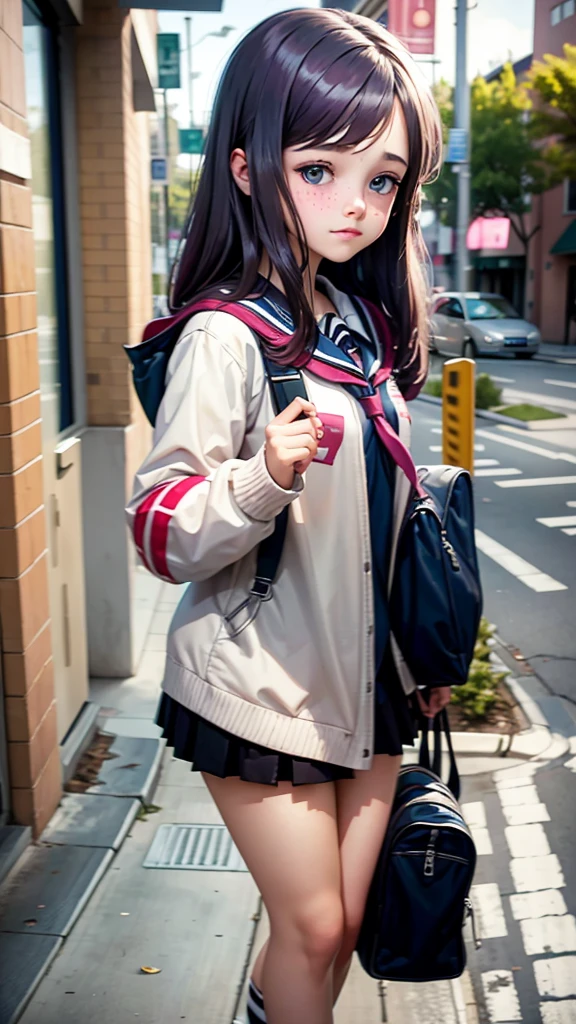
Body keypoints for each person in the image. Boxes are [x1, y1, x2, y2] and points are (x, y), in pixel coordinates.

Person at [126, 9, 448, 1024]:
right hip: (262, 683)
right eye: (320, 170)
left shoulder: (354, 321)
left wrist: (425, 653)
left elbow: (390, 510)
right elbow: (159, 525)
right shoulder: (225, 334)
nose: (355, 206)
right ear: (245, 166)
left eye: (382, 179)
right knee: (312, 926)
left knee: (340, 928)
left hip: (372, 675)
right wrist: (262, 476)